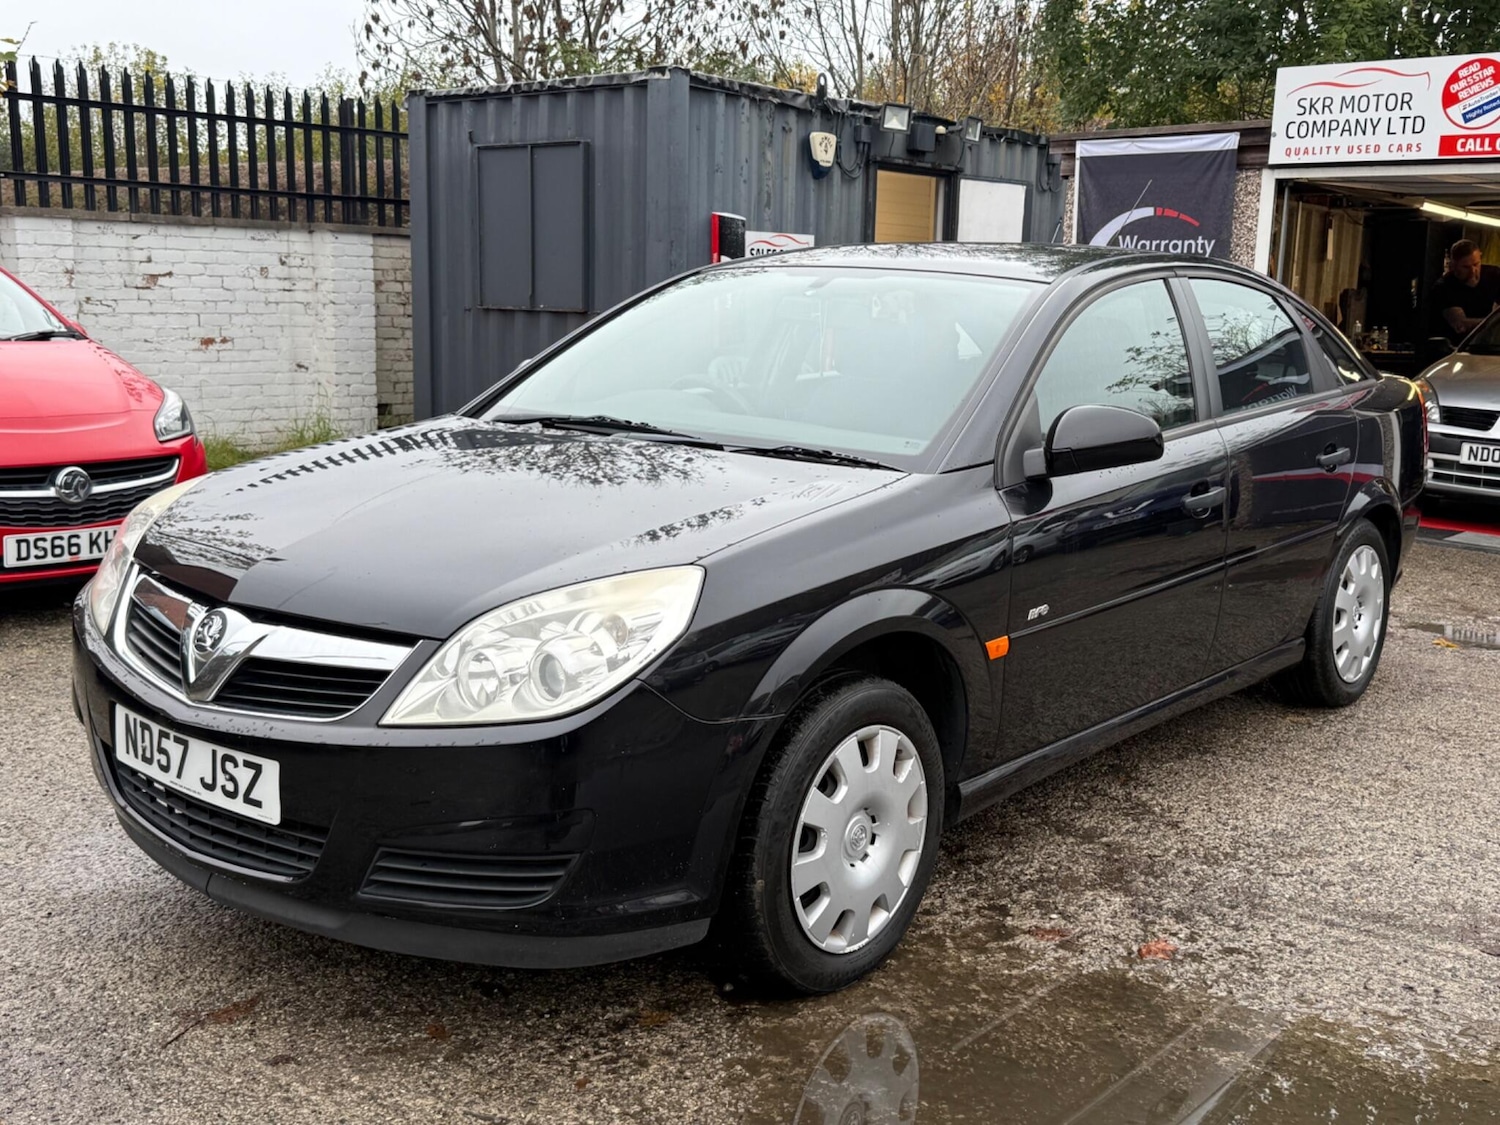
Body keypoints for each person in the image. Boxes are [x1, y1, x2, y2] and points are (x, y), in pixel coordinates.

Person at [1430, 239, 1500, 344]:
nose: (1473, 271)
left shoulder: (1494, 275)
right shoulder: (1444, 287)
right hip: (1457, 347)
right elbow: (1461, 325)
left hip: (1489, 345)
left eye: (1476, 264)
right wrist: (1494, 324)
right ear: (1453, 265)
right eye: (1466, 267)